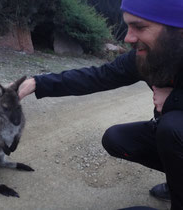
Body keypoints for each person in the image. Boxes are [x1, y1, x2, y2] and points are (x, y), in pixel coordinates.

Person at [17, 0, 183, 209]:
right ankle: (176, 180)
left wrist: (174, 99)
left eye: (140, 27)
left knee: (172, 127)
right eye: (128, 26)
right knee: (116, 139)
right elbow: (98, 76)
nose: (128, 38)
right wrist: (37, 83)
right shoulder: (146, 57)